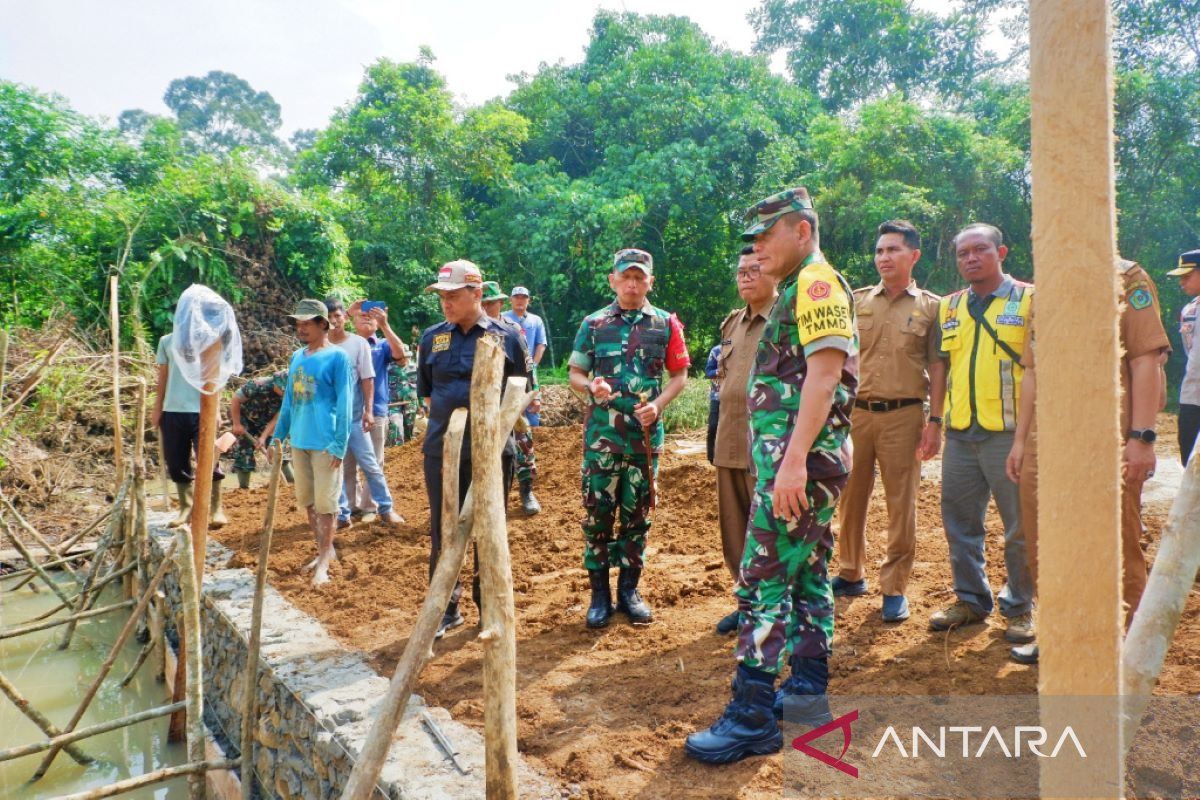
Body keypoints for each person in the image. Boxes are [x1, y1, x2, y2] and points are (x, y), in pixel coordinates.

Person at [686, 187, 857, 764]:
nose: (756, 250)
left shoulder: (816, 285)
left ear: (801, 230)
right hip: (801, 468)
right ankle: (807, 690)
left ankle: (752, 716)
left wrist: (791, 465)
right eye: (751, 241)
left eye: (765, 237)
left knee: (761, 580)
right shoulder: (799, 287)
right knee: (809, 572)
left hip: (800, 470)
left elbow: (825, 377)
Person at [1005, 258, 1171, 663]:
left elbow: (1144, 359)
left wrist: (1141, 437)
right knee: (1044, 541)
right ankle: (1059, 636)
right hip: (1047, 439)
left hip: (1105, 434)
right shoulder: (1047, 285)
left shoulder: (1126, 276)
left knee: (1117, 542)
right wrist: (1021, 440)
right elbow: (1033, 371)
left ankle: (1127, 649)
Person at [568, 248, 690, 629]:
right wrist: (592, 387)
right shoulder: (594, 323)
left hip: (644, 441)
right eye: (626, 277)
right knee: (598, 517)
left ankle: (629, 592)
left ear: (650, 281)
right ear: (613, 281)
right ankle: (600, 595)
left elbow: (679, 375)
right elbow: (574, 374)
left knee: (637, 518)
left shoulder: (666, 324)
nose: (633, 284)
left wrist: (658, 405)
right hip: (602, 441)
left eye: (640, 277)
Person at [832, 220, 945, 623]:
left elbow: (937, 364)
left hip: (905, 416)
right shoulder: (858, 301)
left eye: (893, 250)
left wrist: (935, 422)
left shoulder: (932, 307)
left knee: (902, 505)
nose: (884, 258)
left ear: (913, 255)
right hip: (857, 414)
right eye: (880, 251)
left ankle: (894, 588)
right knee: (850, 496)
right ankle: (850, 572)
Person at [928, 223, 1035, 644]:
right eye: (963, 253)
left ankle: (1021, 606)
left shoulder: (1029, 299)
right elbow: (941, 367)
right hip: (960, 434)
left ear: (1001, 252)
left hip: (1009, 432)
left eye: (980, 250)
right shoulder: (949, 307)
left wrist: (1027, 438)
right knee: (959, 522)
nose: (971, 258)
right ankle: (971, 600)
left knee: (1019, 526)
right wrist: (935, 422)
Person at [419, 261, 532, 638]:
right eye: (442, 296)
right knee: (443, 530)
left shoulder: (508, 335)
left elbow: (522, 391)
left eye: (453, 295)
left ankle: (491, 607)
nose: (446, 303)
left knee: (489, 531)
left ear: (477, 293)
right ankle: (445, 609)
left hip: (492, 453)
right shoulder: (432, 338)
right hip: (442, 450)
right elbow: (428, 392)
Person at [710, 246, 778, 635]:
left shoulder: (785, 320)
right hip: (730, 441)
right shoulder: (732, 324)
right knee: (734, 529)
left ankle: (773, 608)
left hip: (767, 447)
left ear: (774, 275)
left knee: (770, 529)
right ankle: (746, 600)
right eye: (741, 271)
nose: (746, 276)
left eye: (755, 270)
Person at [270, 299, 353, 586]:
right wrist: (277, 437)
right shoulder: (297, 357)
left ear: (323, 324)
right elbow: (289, 403)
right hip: (300, 440)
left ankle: (324, 563)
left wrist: (340, 444)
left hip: (325, 443)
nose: (301, 328)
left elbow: (345, 403)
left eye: (307, 323)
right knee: (308, 502)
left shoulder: (337, 358)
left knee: (326, 505)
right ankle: (323, 553)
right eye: (298, 323)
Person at [325, 297, 402, 527]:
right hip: (331, 418)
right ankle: (344, 513)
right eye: (328, 318)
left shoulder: (361, 344)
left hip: (359, 415)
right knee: (338, 466)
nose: (334, 321)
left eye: (338, 316)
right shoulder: (320, 347)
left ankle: (382, 508)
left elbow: (368, 378)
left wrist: (368, 411)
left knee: (371, 463)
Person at [153, 326, 228, 530]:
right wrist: (157, 408)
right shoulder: (166, 341)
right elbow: (163, 379)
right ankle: (186, 508)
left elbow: (216, 377)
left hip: (202, 409)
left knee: (209, 457)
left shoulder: (209, 340)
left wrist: (217, 409)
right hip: (172, 410)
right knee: (175, 461)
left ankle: (216, 509)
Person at [342, 300, 409, 522]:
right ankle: (350, 506)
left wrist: (385, 326)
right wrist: (348, 310)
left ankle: (370, 506)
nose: (366, 317)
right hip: (345, 412)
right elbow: (328, 329)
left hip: (375, 410)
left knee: (373, 461)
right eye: (361, 314)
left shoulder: (381, 345)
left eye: (371, 315)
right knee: (347, 461)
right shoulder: (343, 344)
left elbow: (401, 357)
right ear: (352, 319)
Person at [503, 286, 549, 515]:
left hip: (519, 386)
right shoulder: (487, 327)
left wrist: (535, 393)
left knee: (523, 441)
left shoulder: (514, 330)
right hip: (492, 398)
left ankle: (526, 491)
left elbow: (530, 365)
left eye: (524, 297)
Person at [229, 369, 294, 487]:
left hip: (267, 422)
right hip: (245, 419)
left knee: (277, 449)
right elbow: (235, 400)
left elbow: (276, 419)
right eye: (283, 390)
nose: (285, 393)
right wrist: (237, 424)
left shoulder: (288, 397)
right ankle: (243, 488)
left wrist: (263, 437)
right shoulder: (257, 385)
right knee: (243, 451)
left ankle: (290, 483)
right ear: (276, 383)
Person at [1169, 249, 1200, 466]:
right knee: (1189, 459)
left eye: (1187, 276)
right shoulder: (1190, 309)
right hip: (1193, 396)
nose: (1182, 282)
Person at [386, 358, 420, 445]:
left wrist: (421, 404)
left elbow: (421, 386)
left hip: (410, 401)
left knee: (409, 426)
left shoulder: (415, 368)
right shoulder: (388, 368)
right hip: (394, 402)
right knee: (396, 426)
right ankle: (396, 448)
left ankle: (407, 447)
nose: (401, 359)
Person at [705, 343, 721, 465]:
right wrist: (718, 371)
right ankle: (712, 457)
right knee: (713, 426)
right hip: (717, 397)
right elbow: (708, 372)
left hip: (736, 397)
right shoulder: (716, 350)